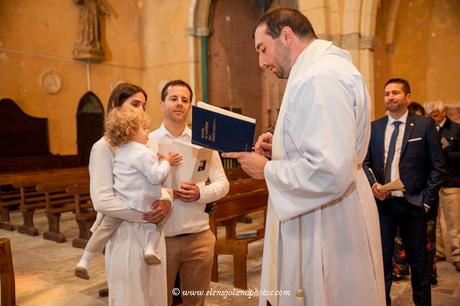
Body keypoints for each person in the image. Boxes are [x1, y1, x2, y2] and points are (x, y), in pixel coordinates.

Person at [223, 8, 385, 306]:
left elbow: (330, 170)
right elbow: (327, 145)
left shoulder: (319, 78)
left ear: (286, 36)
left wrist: (267, 170)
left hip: (326, 223)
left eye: (263, 49)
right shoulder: (323, 71)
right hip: (329, 211)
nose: (261, 62)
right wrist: (282, 147)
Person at [88, 83, 172, 306]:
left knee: (156, 296)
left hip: (151, 235)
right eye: (135, 104)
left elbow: (154, 184)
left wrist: (166, 202)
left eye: (144, 105)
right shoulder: (103, 147)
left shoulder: (143, 145)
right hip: (125, 233)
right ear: (116, 107)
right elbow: (102, 200)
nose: (141, 111)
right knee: (130, 298)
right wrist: (145, 214)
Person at [363, 78, 445, 306]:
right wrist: (373, 186)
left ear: (408, 97)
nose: (390, 97)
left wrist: (427, 200)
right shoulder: (375, 127)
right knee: (382, 262)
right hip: (384, 205)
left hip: (413, 203)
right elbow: (366, 162)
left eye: (396, 92)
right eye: (387, 93)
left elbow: (437, 165)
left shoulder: (423, 125)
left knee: (419, 264)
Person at [75, 108, 181, 279]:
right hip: (141, 203)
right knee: (159, 221)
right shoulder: (142, 152)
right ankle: (150, 249)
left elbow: (137, 172)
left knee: (103, 230)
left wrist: (157, 159)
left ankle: (84, 261)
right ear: (130, 131)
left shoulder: (121, 151)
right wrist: (166, 163)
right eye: (144, 128)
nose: (147, 131)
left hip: (123, 198)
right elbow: (155, 177)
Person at [149, 79, 229, 306]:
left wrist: (199, 194)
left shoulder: (202, 141)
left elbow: (223, 184)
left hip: (198, 237)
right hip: (161, 237)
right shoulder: (149, 142)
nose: (179, 104)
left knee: (195, 303)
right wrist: (169, 193)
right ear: (162, 103)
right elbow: (139, 189)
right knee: (159, 301)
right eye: (173, 98)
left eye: (185, 100)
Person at [424, 100, 460, 273]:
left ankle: (458, 255)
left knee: (453, 221)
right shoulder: (428, 129)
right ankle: (438, 252)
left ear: (443, 112)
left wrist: (446, 150)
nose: (433, 119)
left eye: (436, 115)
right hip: (433, 181)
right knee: (435, 221)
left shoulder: (456, 129)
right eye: (429, 116)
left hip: (452, 181)